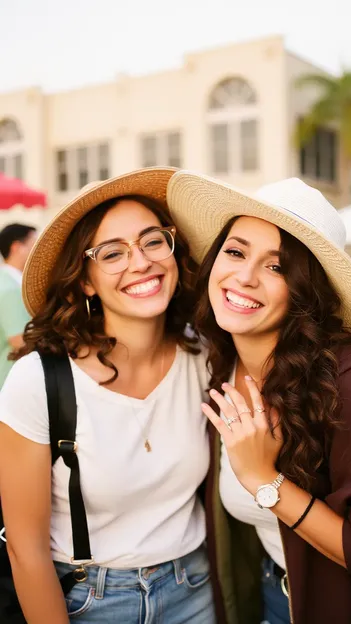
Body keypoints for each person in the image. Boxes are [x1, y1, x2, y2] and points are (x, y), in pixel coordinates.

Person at [167, 171, 351, 624]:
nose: (244, 276)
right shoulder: (222, 363)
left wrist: (267, 481)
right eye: (236, 251)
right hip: (269, 594)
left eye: (276, 266)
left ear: (307, 290)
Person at [0, 168, 214, 624]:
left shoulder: (205, 356)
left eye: (153, 241)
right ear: (86, 281)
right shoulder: (38, 379)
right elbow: (26, 549)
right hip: (88, 600)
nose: (140, 263)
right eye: (112, 253)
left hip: (196, 587)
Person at [0, 223, 37, 387]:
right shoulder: (9, 287)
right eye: (33, 244)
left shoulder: (11, 282)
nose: (38, 250)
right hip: (10, 378)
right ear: (17, 247)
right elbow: (18, 340)